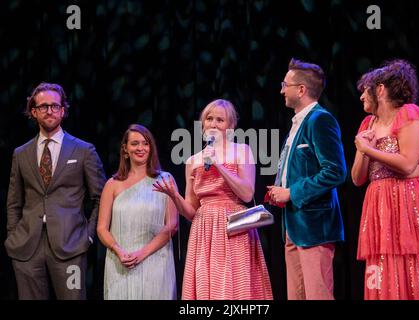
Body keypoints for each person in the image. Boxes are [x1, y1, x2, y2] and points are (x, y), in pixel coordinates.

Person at [153, 99, 273, 300]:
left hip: (234, 226)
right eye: (209, 119)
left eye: (220, 119)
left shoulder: (242, 150)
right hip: (204, 229)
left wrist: (219, 165)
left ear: (230, 126)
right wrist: (174, 196)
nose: (214, 124)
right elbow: (191, 211)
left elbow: (247, 193)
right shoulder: (193, 161)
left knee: (236, 288)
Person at [352, 59, 419, 300]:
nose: (362, 97)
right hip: (378, 203)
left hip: (408, 200)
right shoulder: (368, 123)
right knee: (384, 266)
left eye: (366, 90)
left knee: (412, 263)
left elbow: (408, 165)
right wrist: (364, 148)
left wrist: (369, 149)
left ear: (380, 90)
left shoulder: (409, 114)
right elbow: (357, 178)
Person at [5, 82, 106, 299]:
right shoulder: (21, 153)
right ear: (34, 112)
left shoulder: (84, 150)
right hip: (27, 247)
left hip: (70, 246)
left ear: (63, 110)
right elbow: (14, 201)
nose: (49, 111)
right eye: (43, 106)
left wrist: (87, 236)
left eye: (54, 106)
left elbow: (101, 198)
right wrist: (13, 235)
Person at [267, 58, 346, 300]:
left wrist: (292, 192)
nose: (281, 90)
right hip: (293, 225)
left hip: (314, 226)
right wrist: (280, 189)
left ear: (301, 90)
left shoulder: (320, 120)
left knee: (317, 295)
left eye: (285, 84)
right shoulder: (298, 122)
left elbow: (335, 171)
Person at [97, 124, 178, 300]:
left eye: (145, 143)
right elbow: (102, 228)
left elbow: (172, 225)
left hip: (156, 262)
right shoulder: (112, 184)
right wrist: (118, 251)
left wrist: (142, 254)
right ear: (125, 149)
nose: (140, 148)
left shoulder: (165, 180)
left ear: (151, 148)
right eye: (135, 144)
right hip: (120, 262)